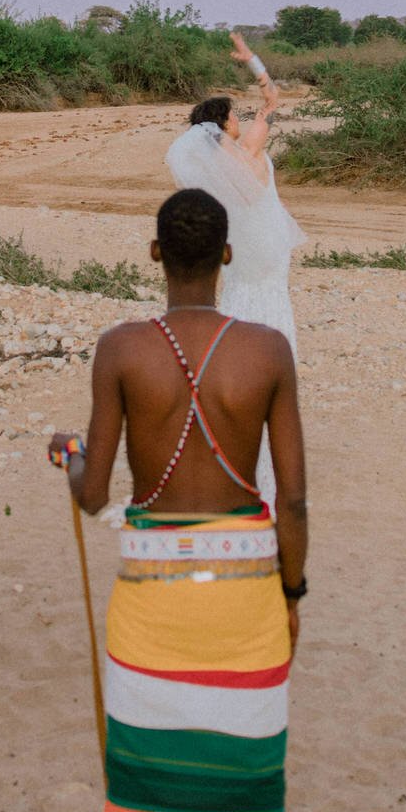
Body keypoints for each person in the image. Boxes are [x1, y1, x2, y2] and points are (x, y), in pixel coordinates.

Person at [47, 187, 307, 812]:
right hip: (247, 596)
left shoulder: (122, 348)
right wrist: (293, 594)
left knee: (130, 800)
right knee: (260, 803)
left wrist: (70, 455)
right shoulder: (268, 350)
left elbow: (94, 493)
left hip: (152, 605)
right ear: (226, 255)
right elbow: (292, 500)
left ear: (156, 253)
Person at [165, 34, 304, 500]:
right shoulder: (249, 154)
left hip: (245, 262)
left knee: (239, 325)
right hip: (267, 262)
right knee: (271, 330)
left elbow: (266, 107)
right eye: (234, 114)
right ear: (224, 124)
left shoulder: (218, 169)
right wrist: (254, 63)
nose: (241, 118)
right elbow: (273, 99)